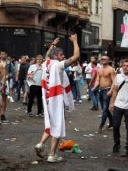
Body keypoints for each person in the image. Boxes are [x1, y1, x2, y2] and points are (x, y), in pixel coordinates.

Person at [34, 34, 79, 163]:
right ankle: (52, 155)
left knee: (51, 123)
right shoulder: (57, 65)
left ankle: (40, 144)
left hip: (47, 98)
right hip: (56, 99)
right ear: (56, 56)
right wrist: (75, 42)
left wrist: (53, 45)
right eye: (61, 55)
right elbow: (75, 57)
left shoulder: (46, 63)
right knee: (57, 126)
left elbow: (48, 54)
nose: (63, 57)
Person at [92, 55, 116, 132]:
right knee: (104, 109)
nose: (103, 60)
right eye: (102, 59)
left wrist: (111, 90)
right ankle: (112, 122)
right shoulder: (99, 69)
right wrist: (95, 87)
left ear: (108, 60)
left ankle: (100, 126)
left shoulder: (111, 70)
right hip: (101, 90)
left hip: (107, 90)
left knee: (105, 109)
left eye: (105, 59)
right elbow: (97, 80)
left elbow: (114, 81)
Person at [0, 50, 14, 120]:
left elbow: (13, 72)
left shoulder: (9, 63)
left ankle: (2, 113)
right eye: (1, 54)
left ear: (6, 55)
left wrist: (8, 76)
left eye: (4, 54)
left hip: (6, 82)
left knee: (4, 98)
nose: (2, 55)